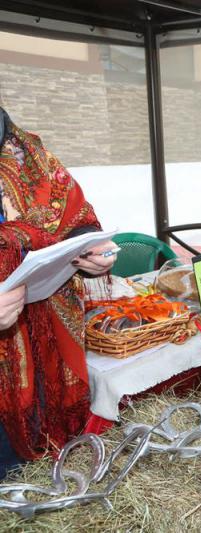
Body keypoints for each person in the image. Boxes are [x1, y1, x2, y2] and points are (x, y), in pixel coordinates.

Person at [0, 107, 116, 480]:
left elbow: (76, 220)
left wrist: (92, 250)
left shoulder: (32, 155)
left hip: (48, 342)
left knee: (44, 468)